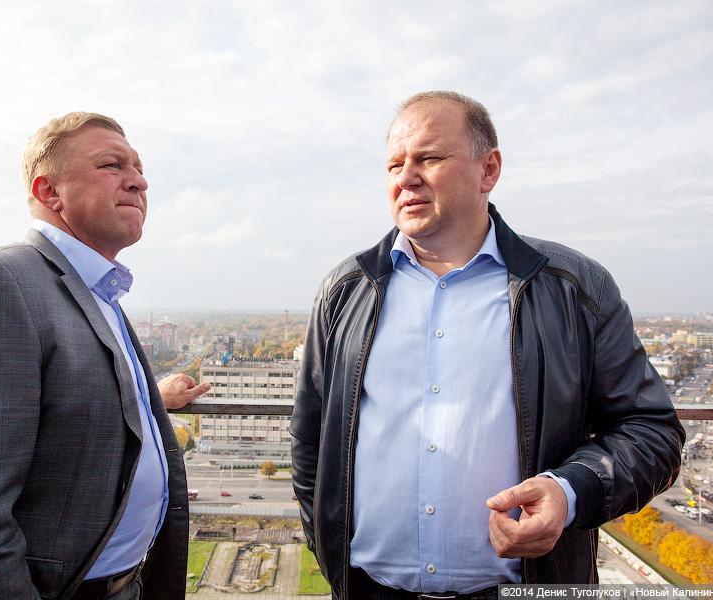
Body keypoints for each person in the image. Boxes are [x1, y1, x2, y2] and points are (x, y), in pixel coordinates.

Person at [290, 91, 685, 600]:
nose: (406, 177)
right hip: (368, 590)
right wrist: (328, 554)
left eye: (429, 158)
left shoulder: (574, 287)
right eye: (394, 164)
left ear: (489, 169)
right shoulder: (346, 290)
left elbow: (651, 431)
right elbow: (310, 439)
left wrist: (568, 492)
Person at [0, 112, 210, 599]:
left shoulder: (96, 291)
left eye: (140, 169)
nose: (139, 181)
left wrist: (150, 399)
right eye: (112, 165)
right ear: (49, 191)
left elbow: (63, 401)